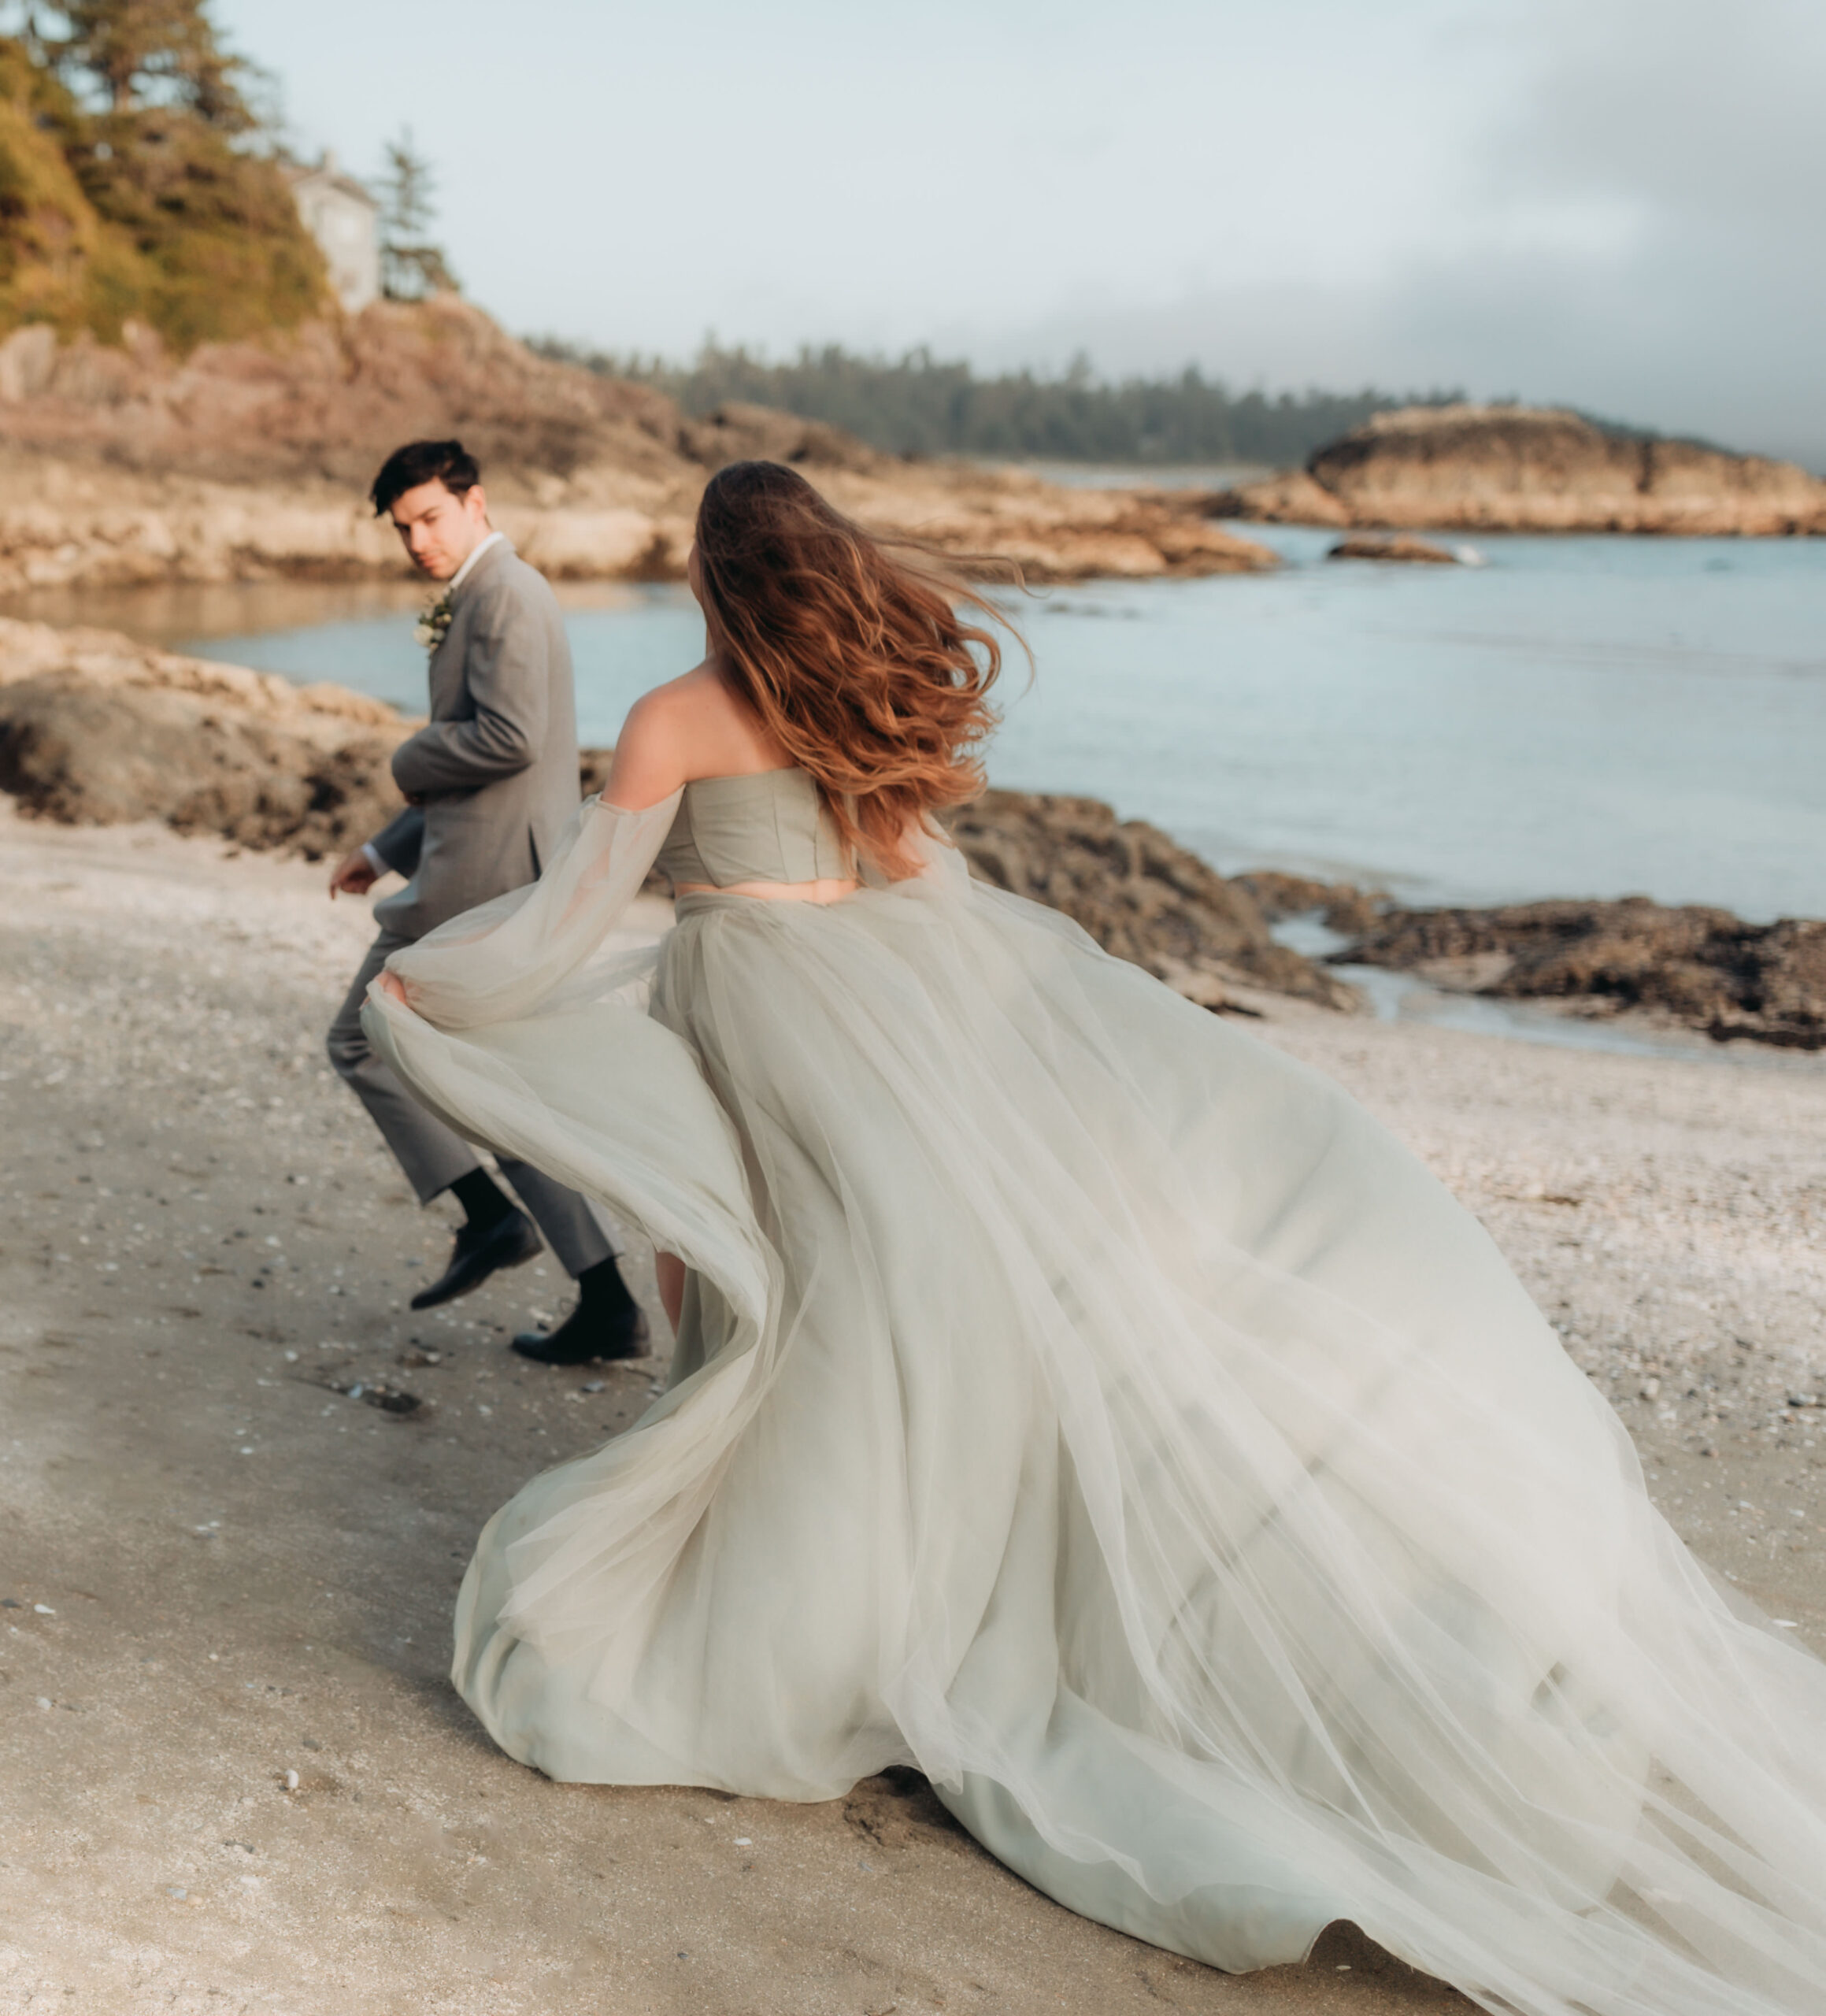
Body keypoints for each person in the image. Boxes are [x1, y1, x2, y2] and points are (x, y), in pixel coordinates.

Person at [364, 461, 1826, 2015]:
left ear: (717, 576)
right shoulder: (842, 698)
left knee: (811, 1314)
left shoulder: (674, 715)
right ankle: (904, 1590)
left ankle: (812, 1627)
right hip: (885, 1016)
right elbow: (911, 881)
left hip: (767, 1025)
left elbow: (582, 907)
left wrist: (434, 979)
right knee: (877, 1311)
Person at [326, 437, 646, 1364]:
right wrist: (384, 848)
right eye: (403, 527)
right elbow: (487, 771)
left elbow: (506, 738)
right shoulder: (483, 593)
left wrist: (402, 757)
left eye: (430, 517)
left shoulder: (504, 591)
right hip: (494, 867)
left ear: (476, 501)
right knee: (498, 1093)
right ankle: (606, 1301)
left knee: (358, 1038)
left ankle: (488, 1220)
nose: (418, 540)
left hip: (484, 887)